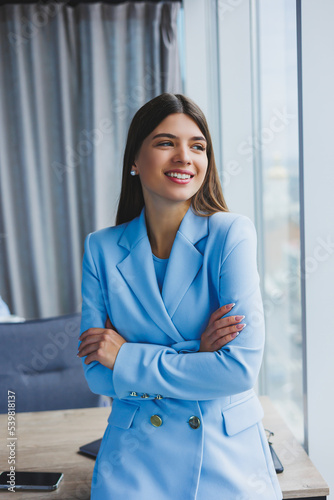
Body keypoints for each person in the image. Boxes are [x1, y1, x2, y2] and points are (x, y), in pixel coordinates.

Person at [78, 93, 282, 500]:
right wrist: (198, 355)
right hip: (133, 463)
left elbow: (238, 370)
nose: (185, 156)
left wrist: (128, 357)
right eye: (166, 142)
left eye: (198, 146)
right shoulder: (101, 248)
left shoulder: (229, 235)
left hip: (224, 459)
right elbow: (97, 373)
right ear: (134, 161)